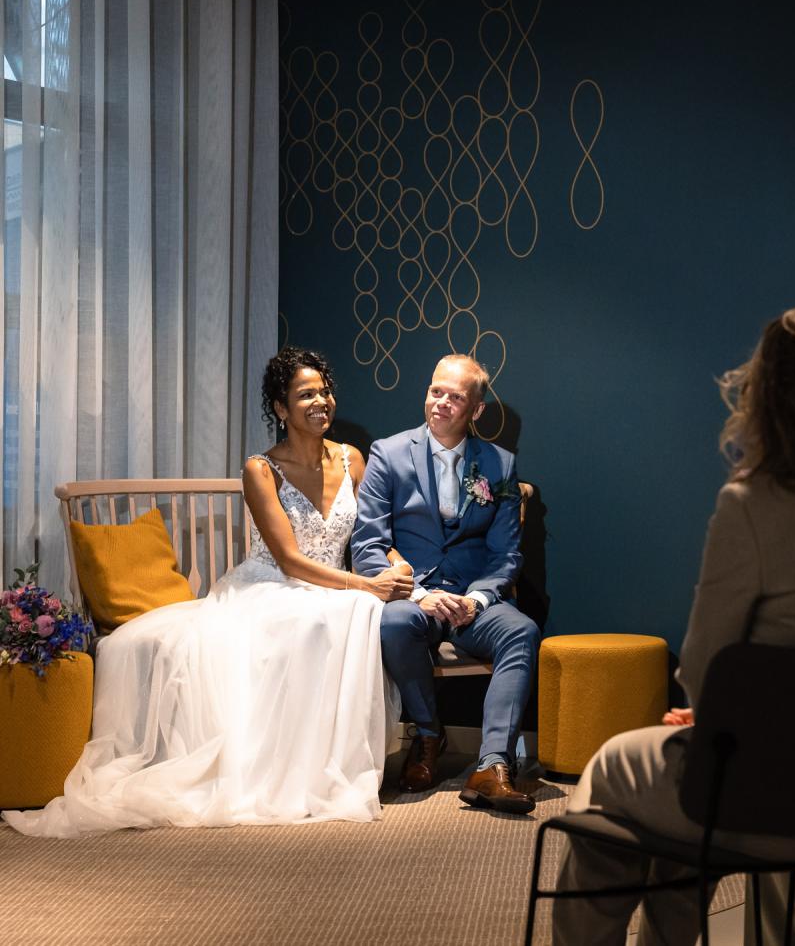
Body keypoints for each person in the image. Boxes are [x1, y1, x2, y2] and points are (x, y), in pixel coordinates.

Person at [551, 297, 795, 946]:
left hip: (762, 793)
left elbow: (704, 668)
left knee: (612, 772)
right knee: (685, 795)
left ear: (769, 395)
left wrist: (712, 714)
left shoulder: (750, 505)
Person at [3, 347, 413, 837]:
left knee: (353, 613)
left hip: (331, 584)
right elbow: (287, 560)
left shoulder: (352, 459)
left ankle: (328, 759)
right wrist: (366, 584)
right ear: (281, 408)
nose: (321, 401)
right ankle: (288, 770)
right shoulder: (261, 470)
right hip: (273, 585)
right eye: (306, 394)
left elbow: (371, 534)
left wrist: (393, 564)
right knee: (329, 617)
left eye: (324, 391)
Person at [351, 353, 539, 814]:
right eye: (437, 391)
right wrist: (418, 594)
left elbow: (507, 554)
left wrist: (476, 599)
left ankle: (492, 766)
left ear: (475, 410)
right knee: (394, 624)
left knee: (522, 631)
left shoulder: (500, 464)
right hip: (413, 595)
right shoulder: (388, 454)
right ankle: (428, 737)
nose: (441, 403)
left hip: (474, 597)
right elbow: (368, 544)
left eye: (456, 397)